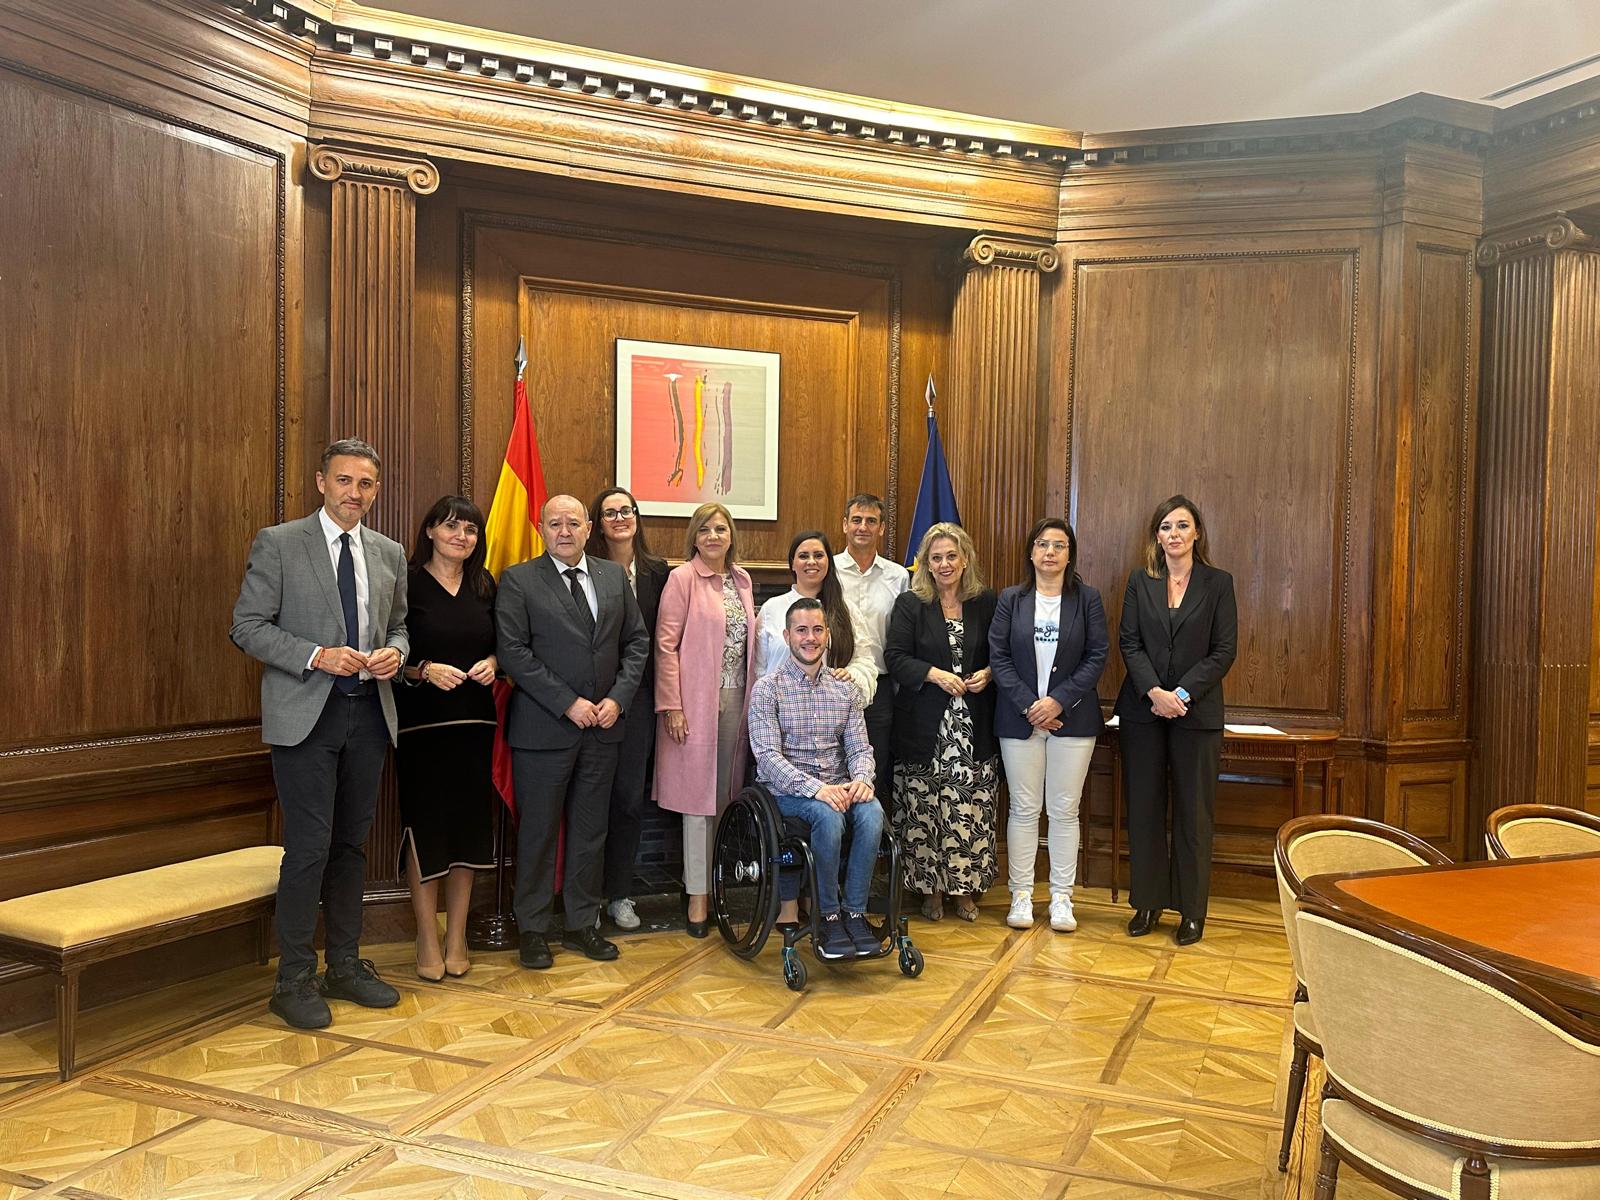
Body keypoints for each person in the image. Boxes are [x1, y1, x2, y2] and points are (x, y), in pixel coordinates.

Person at [230, 437, 408, 1029]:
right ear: (321, 482)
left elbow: (401, 628)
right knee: (309, 847)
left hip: (369, 715)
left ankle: (346, 966)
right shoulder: (280, 543)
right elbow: (246, 626)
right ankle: (293, 979)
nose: (354, 492)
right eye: (344, 480)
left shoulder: (388, 552)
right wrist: (315, 655)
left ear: (375, 491)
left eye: (366, 483)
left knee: (351, 847)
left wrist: (395, 653)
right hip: (306, 716)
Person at [495, 495, 649, 969]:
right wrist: (568, 702)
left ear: (588, 528)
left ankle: (583, 924)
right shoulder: (519, 580)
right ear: (542, 529)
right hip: (544, 731)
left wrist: (617, 699)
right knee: (538, 833)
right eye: (554, 523)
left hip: (603, 729)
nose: (564, 531)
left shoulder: (612, 577)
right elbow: (513, 651)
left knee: (590, 831)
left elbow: (637, 642)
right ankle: (533, 929)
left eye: (573, 523)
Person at [1115, 494, 1237, 946]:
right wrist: (1155, 693)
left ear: (1197, 532)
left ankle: (1191, 911)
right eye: (1166, 527)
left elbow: (1224, 650)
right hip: (1143, 712)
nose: (1174, 534)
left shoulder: (1218, 583)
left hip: (1196, 714)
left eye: (1182, 525)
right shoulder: (1140, 581)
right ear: (1157, 535)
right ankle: (1147, 903)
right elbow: (1129, 643)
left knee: (1193, 814)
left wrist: (1180, 695)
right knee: (1144, 809)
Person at [395, 496, 498, 981]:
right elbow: (388, 653)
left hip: (476, 726)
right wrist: (424, 670)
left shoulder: (485, 584)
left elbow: (503, 646)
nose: (462, 536)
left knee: (469, 830)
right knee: (427, 829)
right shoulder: (407, 582)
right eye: (452, 527)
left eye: (470, 530)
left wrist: (494, 663)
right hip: (422, 728)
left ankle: (456, 936)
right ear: (430, 531)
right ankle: (426, 935)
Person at [747, 598, 885, 959]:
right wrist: (818, 790)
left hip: (839, 786)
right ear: (787, 636)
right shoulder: (768, 689)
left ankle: (854, 913)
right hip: (787, 793)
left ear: (827, 636)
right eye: (802, 630)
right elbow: (767, 757)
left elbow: (860, 747)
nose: (810, 638)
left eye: (817, 630)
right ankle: (829, 915)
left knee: (872, 812)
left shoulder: (845, 690)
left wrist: (862, 779)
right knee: (828, 814)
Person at [989, 518, 1107, 934]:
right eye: (1042, 544)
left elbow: (1097, 655)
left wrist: (1058, 701)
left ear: (1070, 554)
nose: (1050, 552)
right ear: (1031, 552)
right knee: (1023, 809)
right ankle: (1021, 893)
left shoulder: (1087, 599)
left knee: (1063, 810)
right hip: (1018, 719)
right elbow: (998, 656)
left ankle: (1061, 897)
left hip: (1073, 720)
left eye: (1059, 545)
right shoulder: (1011, 599)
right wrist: (1030, 706)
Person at [653, 501, 758, 937]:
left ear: (731, 535)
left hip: (737, 698)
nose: (713, 536)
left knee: (721, 799)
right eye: (705, 530)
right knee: (696, 802)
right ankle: (698, 896)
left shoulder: (742, 580)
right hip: (694, 703)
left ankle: (711, 884)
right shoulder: (682, 579)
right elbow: (665, 646)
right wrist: (672, 705)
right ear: (694, 538)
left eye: (720, 529)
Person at [884, 522, 999, 923]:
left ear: (965, 559)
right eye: (936, 558)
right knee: (925, 808)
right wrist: (934, 674)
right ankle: (930, 891)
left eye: (952, 556)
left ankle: (964, 891)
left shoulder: (986, 602)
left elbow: (1003, 653)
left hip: (974, 725)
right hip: (924, 726)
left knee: (969, 808)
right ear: (926, 564)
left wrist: (989, 673)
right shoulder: (910, 604)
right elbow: (896, 658)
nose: (945, 564)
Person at [585, 486, 670, 931]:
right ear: (598, 524)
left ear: (637, 517)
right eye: (610, 512)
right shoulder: (586, 569)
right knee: (589, 800)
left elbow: (665, 640)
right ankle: (585, 898)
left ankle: (620, 894)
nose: (620, 518)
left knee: (629, 800)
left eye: (627, 510)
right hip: (592, 701)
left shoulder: (659, 572)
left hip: (639, 702)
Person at [834, 494, 910, 805]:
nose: (862, 527)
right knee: (833, 767)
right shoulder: (828, 569)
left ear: (881, 528)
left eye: (870, 521)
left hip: (880, 687)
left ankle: (869, 833)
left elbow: (903, 634)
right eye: (856, 520)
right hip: (832, 683)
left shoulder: (898, 576)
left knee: (873, 771)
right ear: (845, 525)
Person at [754, 530, 877, 705]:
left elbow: (864, 661)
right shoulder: (771, 609)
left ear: (828, 562)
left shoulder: (847, 610)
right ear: (792, 564)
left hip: (831, 710)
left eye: (818, 555)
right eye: (803, 556)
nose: (811, 561)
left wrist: (851, 674)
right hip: (781, 710)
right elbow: (759, 668)